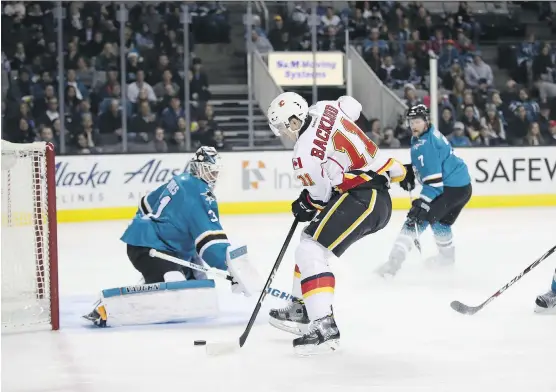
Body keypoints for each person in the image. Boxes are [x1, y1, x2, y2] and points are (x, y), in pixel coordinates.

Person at [265, 92, 407, 355]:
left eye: (284, 127)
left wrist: (306, 202)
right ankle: (301, 307)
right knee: (308, 241)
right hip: (373, 195)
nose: (284, 133)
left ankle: (323, 326)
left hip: (363, 197)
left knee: (310, 251)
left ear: (295, 122)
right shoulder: (325, 107)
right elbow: (352, 105)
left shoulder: (304, 153)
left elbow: (320, 196)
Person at [83, 146, 261, 327]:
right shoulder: (201, 193)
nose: (214, 177)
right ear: (199, 169)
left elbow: (146, 203)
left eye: (216, 172)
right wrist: (230, 268)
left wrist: (144, 228)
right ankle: (108, 309)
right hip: (151, 248)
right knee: (175, 284)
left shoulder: (180, 180)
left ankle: (151, 282)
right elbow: (210, 241)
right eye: (211, 172)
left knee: (198, 285)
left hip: (155, 244)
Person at [376, 105, 472, 277]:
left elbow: (435, 185)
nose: (414, 125)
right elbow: (435, 163)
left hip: (450, 189)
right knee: (441, 222)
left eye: (418, 121)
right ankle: (446, 259)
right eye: (411, 121)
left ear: (426, 121)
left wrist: (422, 203)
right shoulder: (426, 135)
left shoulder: (426, 144)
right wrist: (414, 172)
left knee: (416, 219)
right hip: (462, 187)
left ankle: (393, 264)